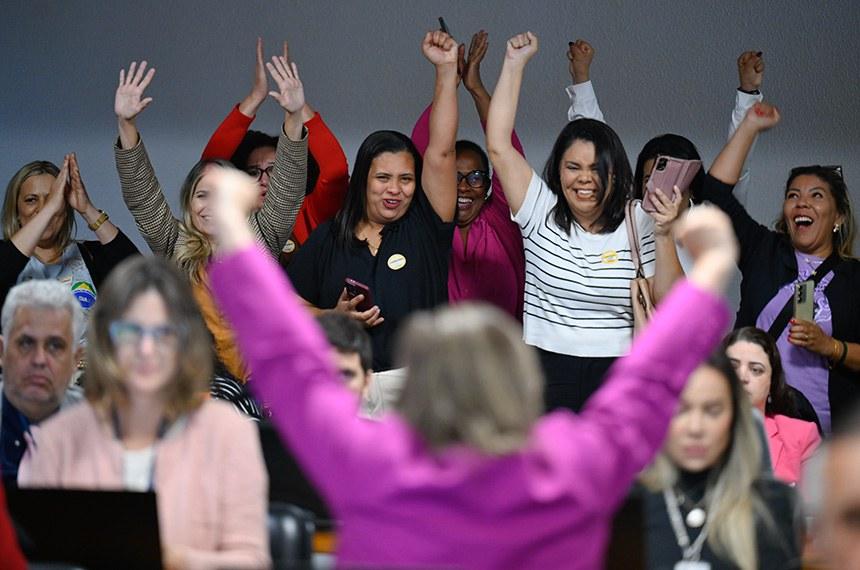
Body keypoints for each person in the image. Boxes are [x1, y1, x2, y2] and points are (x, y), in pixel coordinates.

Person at [206, 130, 738, 568]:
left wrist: (232, 226)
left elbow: (282, 358)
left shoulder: (373, 461)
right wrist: (710, 270)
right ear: (521, 390)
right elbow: (647, 384)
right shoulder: (570, 463)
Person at [19, 256, 269, 569]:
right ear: (105, 340)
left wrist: (172, 560)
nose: (146, 349)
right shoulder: (54, 441)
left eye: (164, 333)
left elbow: (251, 561)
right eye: (130, 331)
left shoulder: (228, 433)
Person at [485, 32, 684, 412]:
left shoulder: (639, 216)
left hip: (621, 371)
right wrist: (514, 63)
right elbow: (497, 144)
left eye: (596, 169)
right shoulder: (538, 210)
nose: (584, 178)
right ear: (557, 172)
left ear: (615, 172)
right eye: (573, 167)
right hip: (545, 368)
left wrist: (664, 231)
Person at [112, 58, 307, 381]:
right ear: (189, 203)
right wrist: (126, 125)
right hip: (192, 387)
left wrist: (294, 116)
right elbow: (142, 196)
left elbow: (287, 186)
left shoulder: (260, 236)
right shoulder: (175, 243)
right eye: (203, 195)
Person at [286, 31, 459, 371]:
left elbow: (441, 151)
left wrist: (446, 70)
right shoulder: (330, 237)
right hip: (344, 386)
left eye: (406, 179)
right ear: (363, 180)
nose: (395, 189)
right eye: (383, 178)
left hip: (416, 391)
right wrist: (331, 317)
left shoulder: (426, 226)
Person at [700, 100, 860, 433]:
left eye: (816, 196)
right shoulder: (764, 251)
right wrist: (750, 127)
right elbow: (714, 193)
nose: (802, 202)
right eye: (793, 195)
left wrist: (830, 347)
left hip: (827, 436)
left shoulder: (854, 278)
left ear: (838, 217)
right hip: (755, 427)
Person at [638, 350, 801, 569]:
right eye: (681, 410)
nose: (695, 428)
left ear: (734, 420)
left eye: (712, 411)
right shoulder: (628, 504)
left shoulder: (772, 505)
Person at [201, 38, 349, 265]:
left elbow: (336, 170)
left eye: (274, 170)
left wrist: (298, 107)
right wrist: (254, 98)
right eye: (253, 172)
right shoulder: (228, 220)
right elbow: (207, 170)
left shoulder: (309, 211)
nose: (264, 180)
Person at [410, 30, 526, 320]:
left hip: (503, 359)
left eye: (475, 177)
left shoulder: (503, 219)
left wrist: (474, 86)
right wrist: (448, 80)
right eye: (453, 176)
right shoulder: (429, 222)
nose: (463, 187)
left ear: (488, 185)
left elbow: (506, 150)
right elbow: (426, 150)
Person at [1, 153, 139, 327]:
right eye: (31, 200)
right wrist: (50, 209)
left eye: (53, 199)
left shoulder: (91, 255)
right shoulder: (5, 258)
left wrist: (87, 209)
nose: (44, 208)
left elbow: (141, 279)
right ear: (16, 212)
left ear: (65, 208)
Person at [0, 280, 84, 483]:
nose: (39, 360)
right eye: (26, 343)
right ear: (2, 352)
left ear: (75, 359)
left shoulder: (102, 427)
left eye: (55, 346)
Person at [724, 326, 820, 486]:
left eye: (756, 370)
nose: (742, 377)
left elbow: (813, 508)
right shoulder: (698, 431)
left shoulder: (801, 436)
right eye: (732, 367)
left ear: (772, 383)